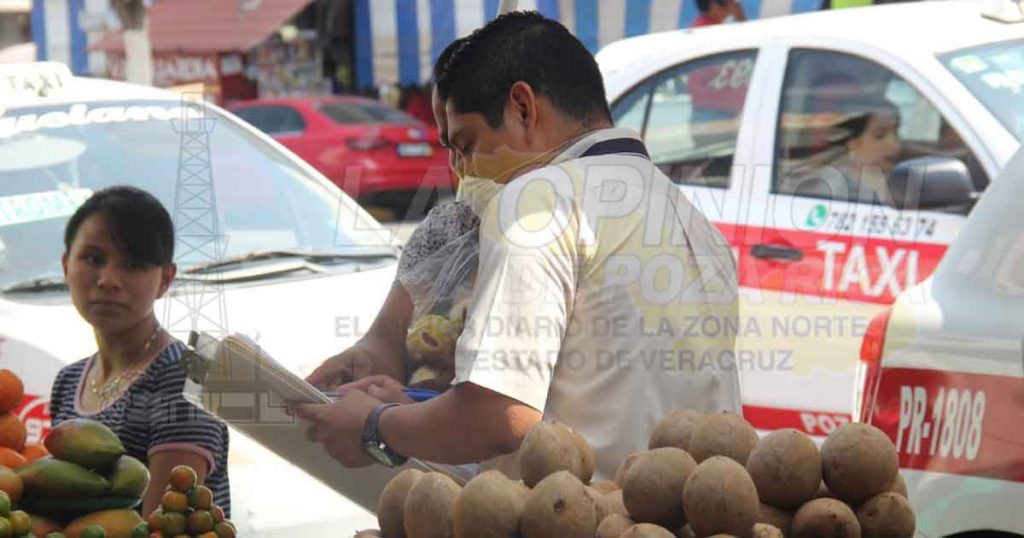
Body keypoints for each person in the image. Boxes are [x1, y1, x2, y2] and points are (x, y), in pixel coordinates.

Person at [298, 11, 740, 480]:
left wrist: (373, 426)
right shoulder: (690, 218)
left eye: (468, 144)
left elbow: (499, 418)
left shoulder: (537, 200)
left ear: (523, 109)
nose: (463, 172)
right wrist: (412, 403)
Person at [49, 186, 230, 516]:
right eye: (93, 258)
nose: (108, 279)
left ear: (165, 279)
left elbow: (165, 522)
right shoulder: (68, 380)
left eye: (132, 264)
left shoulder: (190, 373)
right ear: (65, 264)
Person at [780, 95, 902, 205]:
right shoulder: (833, 187)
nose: (894, 143)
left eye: (896, 132)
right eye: (879, 135)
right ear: (852, 142)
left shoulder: (898, 179)